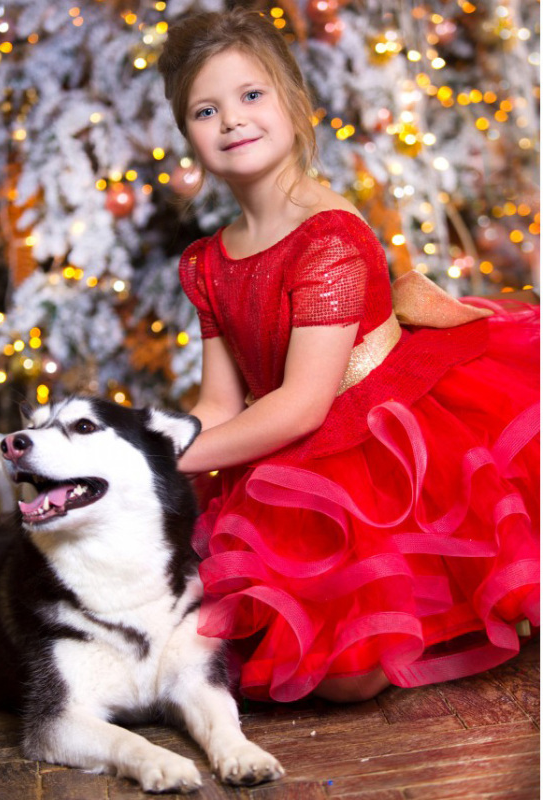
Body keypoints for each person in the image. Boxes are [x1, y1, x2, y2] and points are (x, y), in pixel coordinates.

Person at [157, 8, 540, 704]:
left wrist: (171, 459)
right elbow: (218, 402)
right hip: (290, 434)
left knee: (346, 672)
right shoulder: (209, 261)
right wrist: (157, 449)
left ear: (295, 105)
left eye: (251, 96)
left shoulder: (328, 235)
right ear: (188, 135)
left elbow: (304, 403)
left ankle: (457, 600)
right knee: (242, 628)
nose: (232, 120)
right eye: (205, 110)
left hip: (372, 433)